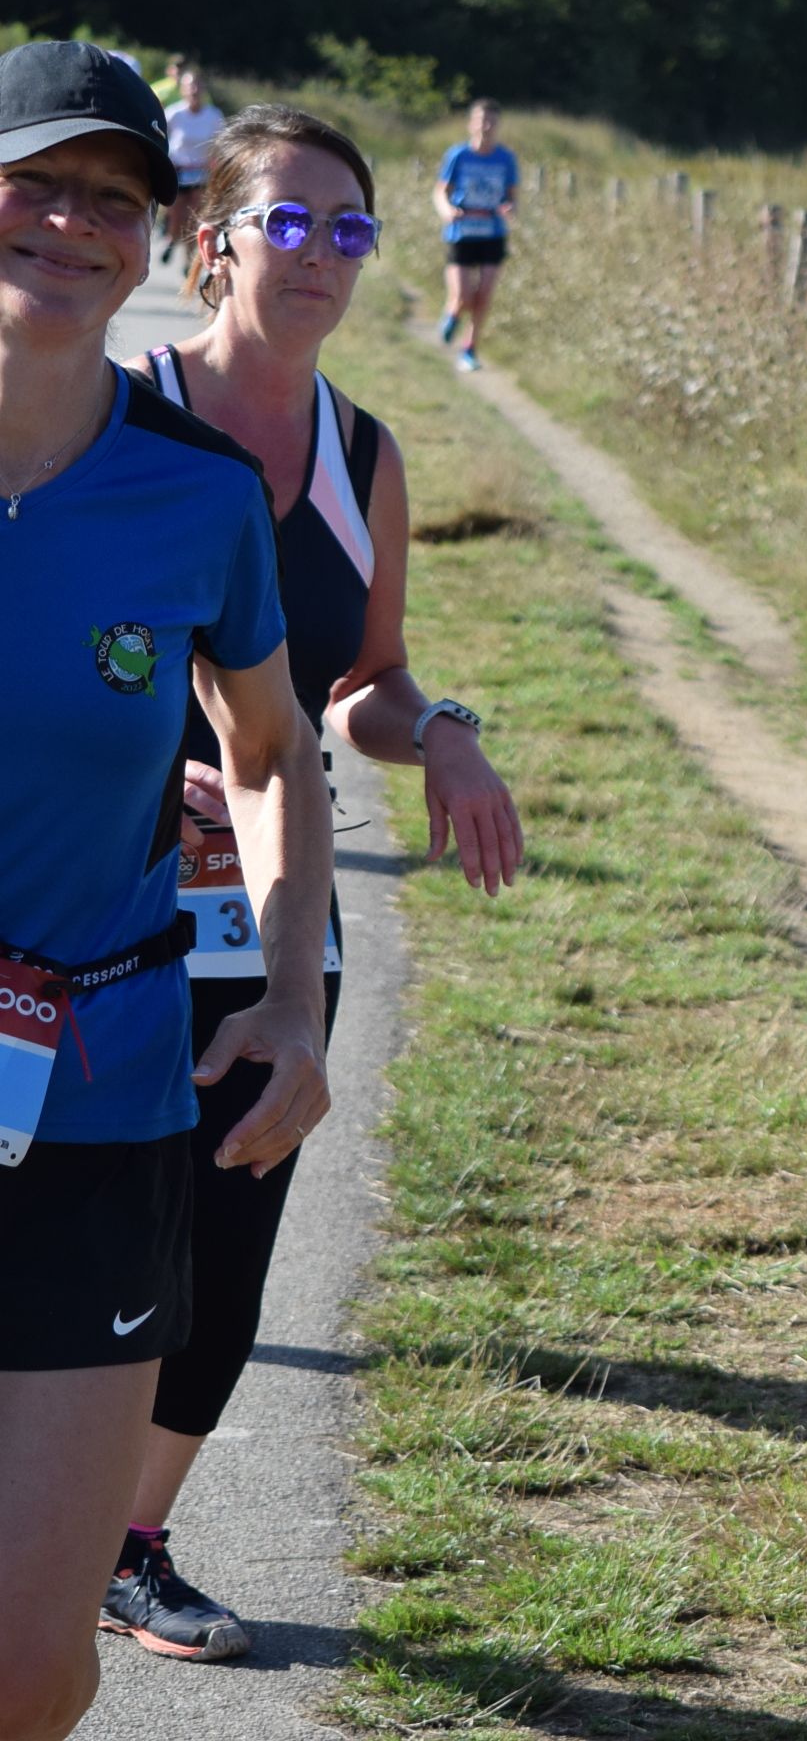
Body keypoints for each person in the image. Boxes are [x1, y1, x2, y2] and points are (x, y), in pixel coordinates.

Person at [94, 104, 525, 1665]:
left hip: (274, 911)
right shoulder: (122, 417)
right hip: (94, 899)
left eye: (350, 229)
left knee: (228, 1240)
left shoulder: (363, 455)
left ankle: (129, 1545)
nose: (321, 254)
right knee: (71, 1215)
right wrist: (145, 758)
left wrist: (446, 734)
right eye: (288, 221)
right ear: (212, 245)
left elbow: (364, 685)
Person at [0, 39, 333, 1740]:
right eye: (35, 183)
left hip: (98, 1095)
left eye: (112, 199)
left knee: (30, 1670)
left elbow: (272, 753)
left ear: (154, 237)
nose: (70, 222)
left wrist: (290, 995)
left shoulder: (195, 497)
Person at [431, 99, 517, 373]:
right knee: (463, 296)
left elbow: (512, 198)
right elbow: (440, 191)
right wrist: (447, 210)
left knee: (484, 295)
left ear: (498, 125)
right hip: (461, 233)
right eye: (481, 120)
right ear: (471, 124)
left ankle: (469, 349)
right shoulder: (458, 155)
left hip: (493, 233)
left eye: (491, 121)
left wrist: (509, 208)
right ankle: (452, 314)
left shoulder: (506, 159)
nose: (486, 126)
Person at [158, 68, 223, 274]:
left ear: (203, 89)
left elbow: (220, 143)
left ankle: (188, 260)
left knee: (194, 218)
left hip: (201, 173)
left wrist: (216, 164)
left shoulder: (213, 116)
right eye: (189, 86)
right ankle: (171, 239)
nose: (194, 90)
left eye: (197, 86)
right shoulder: (174, 113)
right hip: (178, 170)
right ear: (183, 90)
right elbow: (160, 136)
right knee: (176, 214)